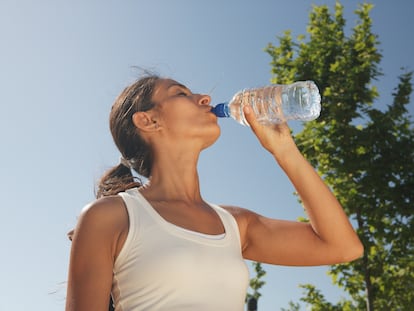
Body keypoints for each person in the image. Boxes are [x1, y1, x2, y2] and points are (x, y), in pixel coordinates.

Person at [65, 74, 363, 311]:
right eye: (181, 93)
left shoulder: (235, 224)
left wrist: (285, 151)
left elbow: (343, 247)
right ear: (148, 120)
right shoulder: (111, 216)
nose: (205, 98)